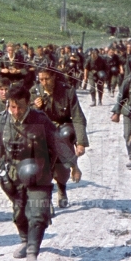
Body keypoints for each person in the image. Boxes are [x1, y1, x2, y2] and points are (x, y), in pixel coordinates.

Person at [0, 84, 76, 261]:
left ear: (28, 103)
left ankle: (32, 253)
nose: (16, 111)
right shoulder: (0, 121)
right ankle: (25, 240)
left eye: (20, 106)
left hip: (39, 173)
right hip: (13, 176)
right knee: (20, 214)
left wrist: (73, 165)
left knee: (38, 213)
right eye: (12, 106)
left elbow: (58, 142)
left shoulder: (40, 119)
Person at [31, 68, 87, 207]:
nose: (44, 83)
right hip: (42, 130)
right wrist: (34, 107)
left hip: (63, 129)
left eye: (47, 79)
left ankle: (62, 186)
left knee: (62, 165)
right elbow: (26, 115)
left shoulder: (67, 91)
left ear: (54, 77)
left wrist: (81, 142)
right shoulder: (34, 91)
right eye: (41, 79)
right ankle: (45, 196)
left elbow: (78, 117)